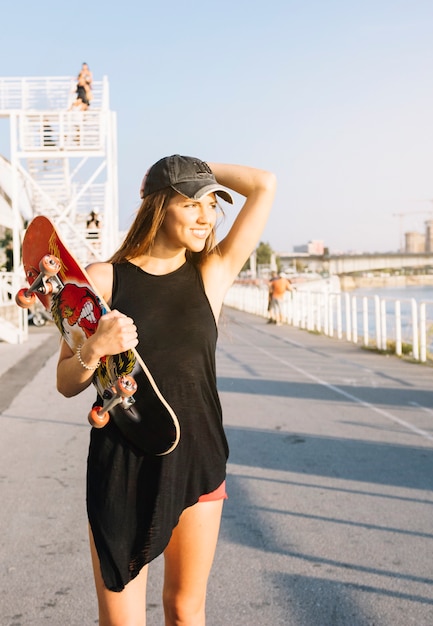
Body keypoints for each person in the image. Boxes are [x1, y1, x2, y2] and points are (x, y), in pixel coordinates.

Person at [56, 155, 276, 625]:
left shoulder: (211, 274)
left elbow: (264, 184)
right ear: (159, 206)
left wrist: (195, 161)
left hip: (198, 457)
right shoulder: (103, 280)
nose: (207, 216)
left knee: (184, 610)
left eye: (213, 204)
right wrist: (96, 346)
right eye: (192, 202)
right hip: (123, 463)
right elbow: (65, 382)